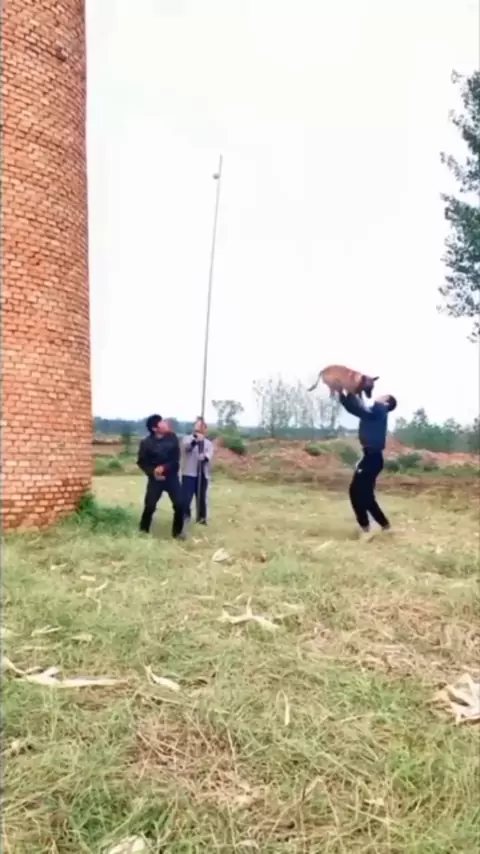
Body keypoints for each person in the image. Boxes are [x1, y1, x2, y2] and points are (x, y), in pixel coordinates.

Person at [339, 391, 397, 538]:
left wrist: (356, 393)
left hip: (372, 459)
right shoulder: (373, 413)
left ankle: (367, 529)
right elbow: (356, 409)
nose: (379, 396)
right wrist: (345, 394)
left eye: (383, 396)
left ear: (387, 403)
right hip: (370, 458)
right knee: (365, 496)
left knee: (357, 493)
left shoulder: (381, 411)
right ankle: (384, 527)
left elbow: (371, 407)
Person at [137, 415, 185, 538]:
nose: (165, 423)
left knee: (179, 504)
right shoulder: (146, 443)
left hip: (171, 478)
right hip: (155, 480)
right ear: (155, 428)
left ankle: (178, 533)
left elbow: (175, 460)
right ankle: (143, 531)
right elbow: (142, 462)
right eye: (161, 422)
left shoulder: (172, 438)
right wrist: (153, 472)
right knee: (150, 506)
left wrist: (164, 468)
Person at [181, 417, 214, 525]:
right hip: (189, 473)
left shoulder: (208, 443)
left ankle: (201, 518)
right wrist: (195, 441)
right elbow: (187, 449)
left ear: (205, 428)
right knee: (186, 497)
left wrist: (203, 457)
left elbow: (208, 456)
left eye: (203, 425)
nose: (200, 427)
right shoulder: (186, 439)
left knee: (201, 497)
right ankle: (185, 516)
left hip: (202, 474)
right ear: (194, 426)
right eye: (198, 424)